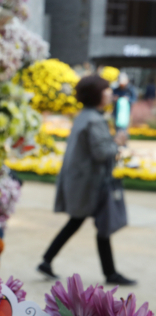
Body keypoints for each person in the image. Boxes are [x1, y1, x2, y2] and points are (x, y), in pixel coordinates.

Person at [37, 75, 135, 286]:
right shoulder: (94, 120)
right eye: (106, 90)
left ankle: (47, 261)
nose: (110, 93)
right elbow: (101, 153)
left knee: (84, 224)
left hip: (83, 182)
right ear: (96, 94)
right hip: (90, 185)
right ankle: (110, 273)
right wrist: (117, 142)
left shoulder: (85, 116)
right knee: (100, 226)